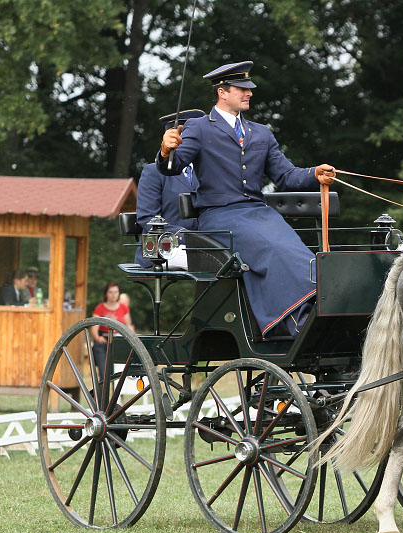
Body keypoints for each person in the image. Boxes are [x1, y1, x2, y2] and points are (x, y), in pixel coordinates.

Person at [158, 60, 335, 338]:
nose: (249, 93)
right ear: (222, 92)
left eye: (249, 88)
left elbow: (286, 176)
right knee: (272, 248)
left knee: (297, 252)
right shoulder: (199, 127)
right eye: (241, 88)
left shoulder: (261, 133)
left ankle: (311, 309)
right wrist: (166, 151)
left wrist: (315, 173)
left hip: (258, 214)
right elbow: (174, 167)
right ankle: (293, 321)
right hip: (219, 216)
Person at [135, 109, 205, 269]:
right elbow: (147, 219)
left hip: (204, 247)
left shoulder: (207, 172)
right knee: (211, 265)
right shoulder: (153, 172)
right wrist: (187, 237)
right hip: (165, 248)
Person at [90, 282, 135, 385]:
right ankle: (102, 399)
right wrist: (97, 338)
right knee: (103, 373)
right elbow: (94, 327)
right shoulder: (100, 308)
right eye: (110, 292)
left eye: (115, 292)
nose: (113, 294)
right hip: (103, 342)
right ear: (106, 294)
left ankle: (115, 398)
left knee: (118, 374)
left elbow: (129, 325)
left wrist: (133, 339)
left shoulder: (124, 307)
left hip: (119, 343)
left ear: (118, 293)